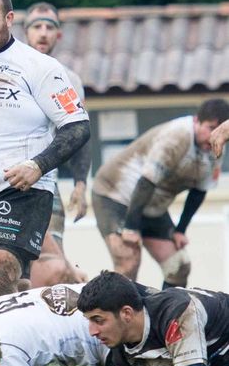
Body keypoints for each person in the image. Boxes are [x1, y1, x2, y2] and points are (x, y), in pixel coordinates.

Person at [0, 0, 91, 301]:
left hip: (23, 187)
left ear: (9, 19)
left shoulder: (40, 67)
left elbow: (78, 127)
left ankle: (8, 347)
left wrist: (38, 166)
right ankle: (28, 333)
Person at [90, 99, 229, 289]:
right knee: (128, 260)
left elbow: (199, 191)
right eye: (210, 127)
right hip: (115, 195)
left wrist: (180, 229)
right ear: (197, 121)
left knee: (179, 266)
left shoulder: (216, 144)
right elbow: (146, 182)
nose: (212, 135)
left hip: (152, 204)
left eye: (218, 129)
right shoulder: (177, 136)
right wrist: (131, 227)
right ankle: (117, 316)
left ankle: (166, 317)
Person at [79, 271, 229, 366]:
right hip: (217, 361)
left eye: (98, 320)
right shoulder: (121, 343)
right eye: (89, 321)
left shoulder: (177, 313)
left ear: (126, 313)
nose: (92, 331)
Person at [23, 2, 91, 287]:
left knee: (53, 269)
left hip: (47, 184)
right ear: (25, 32)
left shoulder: (69, 79)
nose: (43, 33)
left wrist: (80, 182)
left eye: (49, 28)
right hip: (8, 179)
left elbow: (79, 130)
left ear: (58, 36)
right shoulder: (12, 69)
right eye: (37, 27)